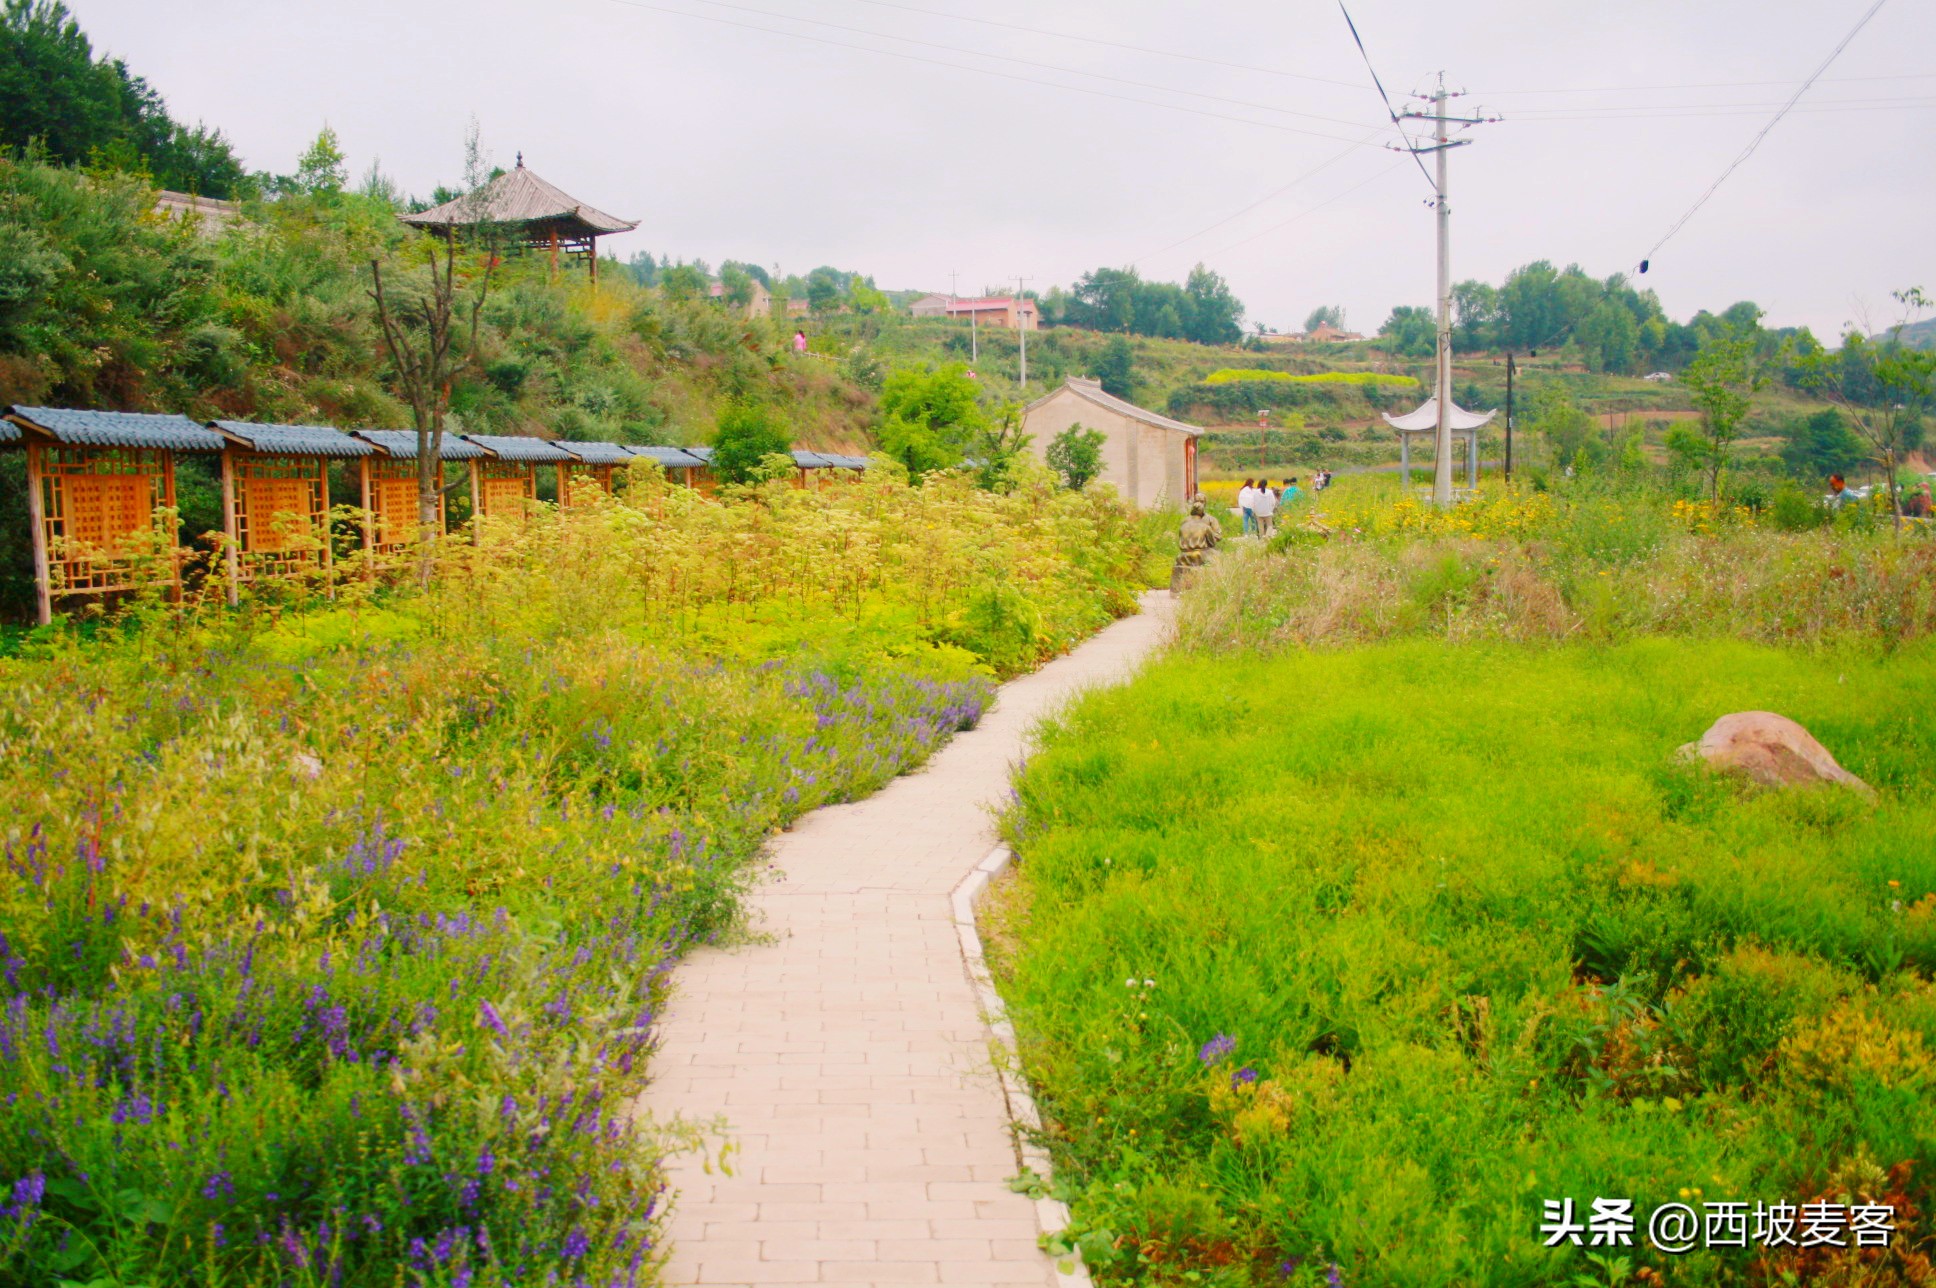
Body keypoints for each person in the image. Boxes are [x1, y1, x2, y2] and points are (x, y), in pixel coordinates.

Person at [1170, 497, 1222, 594]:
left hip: (1183, 555)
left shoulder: (1183, 525)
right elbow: (1212, 543)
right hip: (1199, 554)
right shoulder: (1205, 527)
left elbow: (1180, 540)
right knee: (1217, 555)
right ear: (1202, 513)